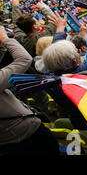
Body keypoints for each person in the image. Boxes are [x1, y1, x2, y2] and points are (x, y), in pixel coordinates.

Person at [0, 26, 59, 155]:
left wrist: (2, 47)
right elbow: (24, 59)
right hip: (24, 136)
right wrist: (5, 39)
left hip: (13, 135)